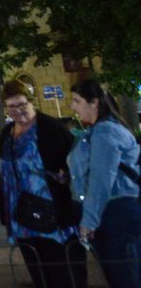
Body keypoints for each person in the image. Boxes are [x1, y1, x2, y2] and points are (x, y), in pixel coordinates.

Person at [0, 79, 85, 288]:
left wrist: (66, 175)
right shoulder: (6, 134)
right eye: (11, 107)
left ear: (31, 101)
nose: (18, 111)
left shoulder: (50, 128)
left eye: (21, 104)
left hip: (52, 217)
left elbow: (77, 163)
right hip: (22, 217)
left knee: (62, 274)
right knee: (38, 273)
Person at [68, 78, 141, 288]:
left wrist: (88, 222)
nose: (72, 106)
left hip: (116, 215)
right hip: (117, 213)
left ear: (94, 103)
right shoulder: (99, 131)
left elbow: (101, 181)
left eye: (77, 100)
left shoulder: (104, 133)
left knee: (125, 278)